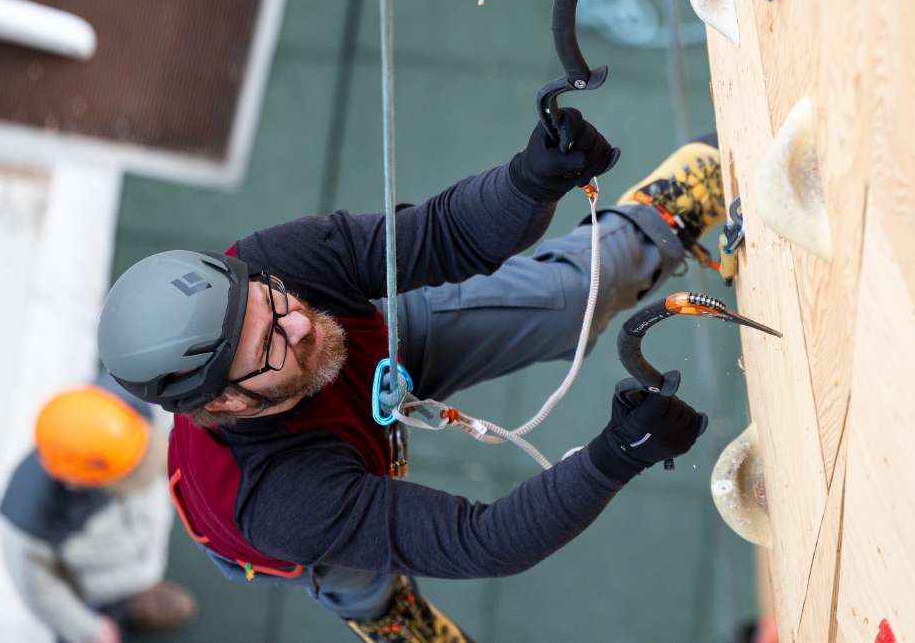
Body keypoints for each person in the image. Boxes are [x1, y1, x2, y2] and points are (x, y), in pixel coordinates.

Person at [96, 109, 725, 642]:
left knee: (565, 302)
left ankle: (660, 220)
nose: (299, 326)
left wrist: (528, 182)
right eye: (268, 346)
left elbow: (445, 235)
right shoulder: (282, 506)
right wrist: (614, 457)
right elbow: (482, 541)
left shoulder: (276, 268)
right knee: (367, 586)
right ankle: (394, 622)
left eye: (272, 300)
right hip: (299, 507)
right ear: (228, 402)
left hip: (369, 360)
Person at [0, 373, 197, 643]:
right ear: (78, 482)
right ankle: (129, 604)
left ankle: (147, 582)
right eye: (131, 473)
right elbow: (38, 590)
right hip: (104, 588)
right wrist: (88, 629)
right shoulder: (31, 515)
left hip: (144, 550)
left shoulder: (122, 401)